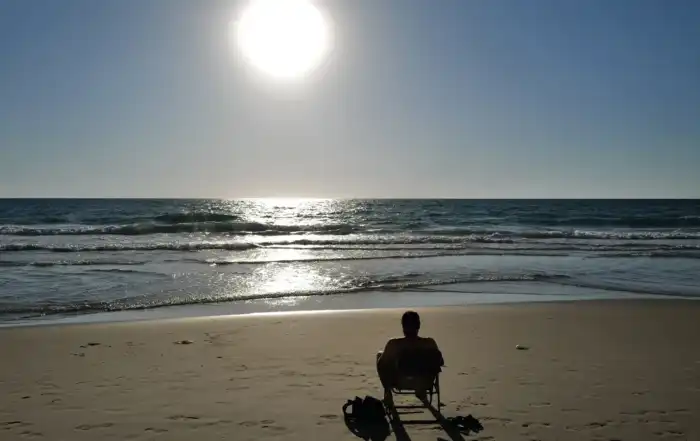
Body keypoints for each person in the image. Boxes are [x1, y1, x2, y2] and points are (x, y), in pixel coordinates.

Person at [376, 311, 444, 403]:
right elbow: (440, 362)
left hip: (400, 382)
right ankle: (421, 391)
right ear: (418, 326)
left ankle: (387, 392)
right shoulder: (429, 343)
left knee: (380, 357)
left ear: (403, 327)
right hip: (425, 382)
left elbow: (382, 364)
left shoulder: (394, 344)